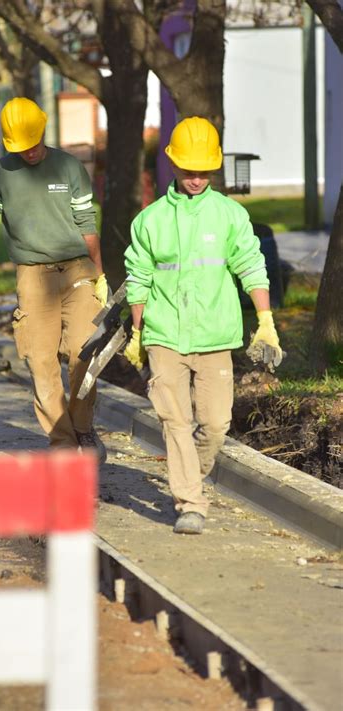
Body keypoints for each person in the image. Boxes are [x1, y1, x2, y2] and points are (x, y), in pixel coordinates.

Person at [123, 116, 282, 534]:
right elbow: (138, 277)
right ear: (173, 165)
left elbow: (251, 264)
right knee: (174, 420)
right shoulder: (150, 220)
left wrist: (265, 320)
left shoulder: (230, 215)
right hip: (164, 334)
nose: (196, 179)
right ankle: (190, 502)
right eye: (189, 171)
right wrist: (138, 333)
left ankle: (192, 472)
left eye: (204, 171)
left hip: (215, 335)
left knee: (214, 425)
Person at [0, 97, 108, 460]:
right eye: (21, 146)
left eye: (33, 142)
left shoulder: (69, 168)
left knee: (84, 352)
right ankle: (63, 446)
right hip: (32, 276)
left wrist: (100, 275)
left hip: (77, 270)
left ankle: (82, 427)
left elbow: (87, 226)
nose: (29, 151)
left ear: (42, 129)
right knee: (39, 360)